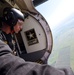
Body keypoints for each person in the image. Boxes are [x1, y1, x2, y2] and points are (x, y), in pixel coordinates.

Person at [0, 39, 74, 75]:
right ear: (12, 21)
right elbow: (6, 63)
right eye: (19, 24)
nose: (21, 28)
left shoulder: (10, 38)